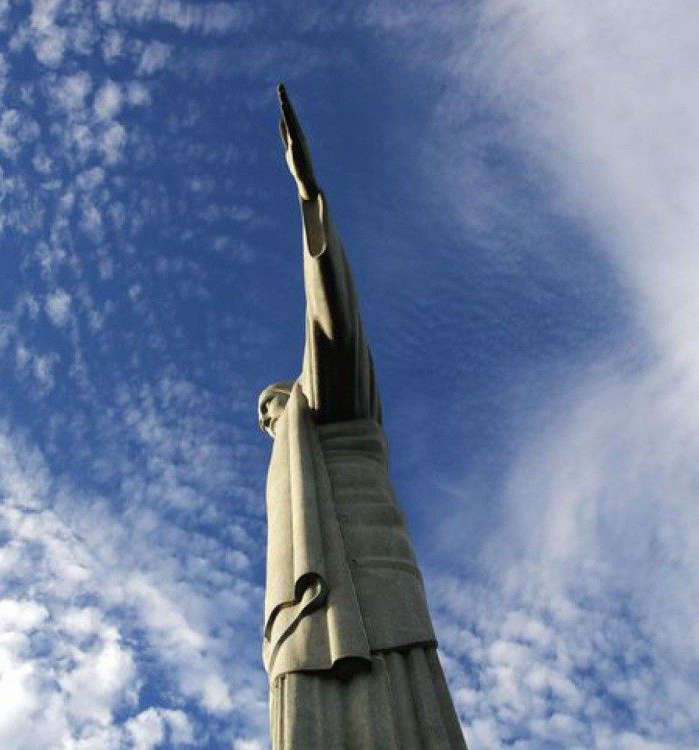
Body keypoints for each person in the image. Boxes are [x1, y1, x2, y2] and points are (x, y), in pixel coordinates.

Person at [258, 85, 468, 749]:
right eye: (267, 417)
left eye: (274, 402)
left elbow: (333, 325)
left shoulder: (331, 407)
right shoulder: (291, 462)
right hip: (301, 615)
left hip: (375, 591)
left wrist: (309, 201)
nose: (271, 417)